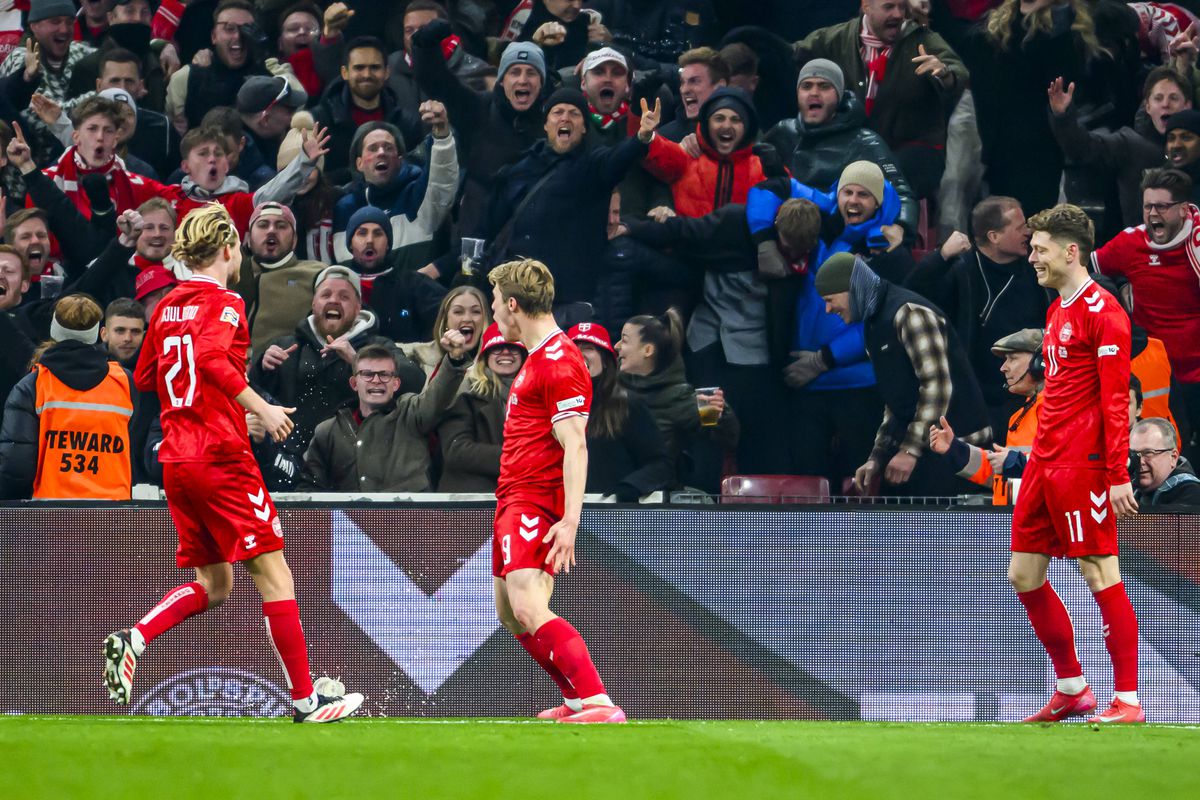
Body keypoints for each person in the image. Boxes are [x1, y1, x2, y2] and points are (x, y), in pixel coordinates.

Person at [108, 202, 364, 722]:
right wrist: (261, 408)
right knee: (276, 577)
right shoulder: (224, 303)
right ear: (229, 249)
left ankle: (135, 637)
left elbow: (146, 378)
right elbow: (208, 360)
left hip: (177, 459)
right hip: (220, 456)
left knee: (216, 584)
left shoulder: (164, 308)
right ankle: (305, 700)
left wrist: (206, 406)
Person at [1006, 203, 1142, 724]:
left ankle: (1127, 701)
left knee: (1099, 571)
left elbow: (1114, 401)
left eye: (1039, 249)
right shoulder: (1057, 308)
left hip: (1083, 464)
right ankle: (1072, 688)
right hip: (1045, 459)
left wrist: (1117, 474)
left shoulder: (1105, 312)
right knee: (1023, 574)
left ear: (1071, 251)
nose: (1032, 258)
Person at [487, 257, 625, 723]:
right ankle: (573, 699)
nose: (492, 316)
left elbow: (576, 445)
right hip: (514, 496)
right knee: (510, 611)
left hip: (536, 499)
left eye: (493, 305)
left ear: (511, 304)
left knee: (528, 605)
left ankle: (598, 701)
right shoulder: (538, 359)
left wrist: (569, 520)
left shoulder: (561, 362)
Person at [817, 252, 992, 498]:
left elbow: (936, 389)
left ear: (851, 288)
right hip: (928, 447)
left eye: (829, 299)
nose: (827, 309)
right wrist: (877, 458)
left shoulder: (910, 313)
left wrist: (909, 451)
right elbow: (896, 400)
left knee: (946, 535)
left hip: (958, 449)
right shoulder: (873, 324)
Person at [904, 196, 1048, 439]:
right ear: (994, 236)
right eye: (1020, 227)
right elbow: (909, 298)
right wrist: (941, 256)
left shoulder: (1038, 274)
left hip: (1024, 394)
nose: (1028, 232)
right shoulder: (961, 270)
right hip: (972, 398)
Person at [793, 0, 967, 199]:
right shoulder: (836, 38)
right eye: (889, 7)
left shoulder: (921, 39)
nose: (898, 14)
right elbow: (791, 54)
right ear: (866, 6)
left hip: (913, 148)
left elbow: (957, 73)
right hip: (853, 148)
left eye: (902, 7)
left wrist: (945, 74)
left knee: (879, 181)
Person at [250, 265, 418, 453]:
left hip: (360, 458)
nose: (334, 300)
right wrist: (262, 369)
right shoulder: (287, 346)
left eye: (344, 297)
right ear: (313, 304)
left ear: (357, 308)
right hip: (294, 460)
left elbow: (415, 381)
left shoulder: (379, 347)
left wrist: (357, 361)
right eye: (325, 295)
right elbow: (254, 399)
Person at [1092, 167, 1200, 458]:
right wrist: (1120, 289)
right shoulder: (1130, 243)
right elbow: (1085, 275)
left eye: (1162, 207)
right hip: (1157, 375)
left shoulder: (1197, 243)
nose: (1153, 214)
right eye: (1148, 206)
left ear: (1183, 209)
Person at [0, 294, 137, 500]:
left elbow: (16, 463)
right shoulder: (124, 382)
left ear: (54, 330)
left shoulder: (33, 385)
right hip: (113, 510)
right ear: (97, 333)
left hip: (51, 510)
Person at [762, 58, 919, 235]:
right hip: (784, 234)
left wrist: (900, 226)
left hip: (839, 238)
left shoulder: (865, 142)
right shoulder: (783, 132)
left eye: (824, 86)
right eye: (806, 86)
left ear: (839, 95)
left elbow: (901, 193)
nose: (814, 93)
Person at [300, 339, 467, 493]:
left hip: (410, 521)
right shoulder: (328, 431)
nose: (376, 380)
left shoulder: (411, 412)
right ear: (354, 383)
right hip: (349, 524)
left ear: (396, 384)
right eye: (367, 374)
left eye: (384, 374)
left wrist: (454, 359)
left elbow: (437, 396)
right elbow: (309, 490)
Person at [1049, 66, 1192, 228]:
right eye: (1158, 98)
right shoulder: (1129, 144)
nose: (1166, 104)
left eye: (1173, 98)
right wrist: (1063, 117)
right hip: (1141, 245)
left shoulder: (1196, 148)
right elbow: (1083, 148)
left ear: (1187, 105)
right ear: (1148, 107)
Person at [617, 308, 739, 493]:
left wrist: (721, 414)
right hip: (608, 490)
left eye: (624, 340)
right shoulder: (611, 387)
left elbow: (728, 439)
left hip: (655, 498)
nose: (617, 346)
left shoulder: (680, 398)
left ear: (648, 350)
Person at [330, 102, 458, 267]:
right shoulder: (343, 208)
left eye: (388, 148)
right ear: (359, 164)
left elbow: (441, 181)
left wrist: (441, 134)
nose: (381, 152)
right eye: (373, 148)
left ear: (399, 161)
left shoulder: (417, 197)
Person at [930, 329, 1045, 505]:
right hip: (1013, 521)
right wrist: (954, 448)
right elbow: (1002, 474)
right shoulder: (1020, 416)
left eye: (1012, 358)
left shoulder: (1057, 410)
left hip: (1038, 524)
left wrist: (1015, 462)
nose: (1003, 367)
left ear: (1040, 362)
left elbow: (1061, 467)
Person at [568, 321, 672, 501]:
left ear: (606, 361)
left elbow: (661, 465)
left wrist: (627, 489)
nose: (579, 354)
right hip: (558, 514)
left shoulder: (628, 404)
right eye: (572, 349)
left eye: (588, 348)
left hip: (611, 515)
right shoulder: (548, 406)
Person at [313, 35, 423, 185]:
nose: (367, 75)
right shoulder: (320, 121)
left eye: (374, 67)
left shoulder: (406, 123)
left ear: (386, 72)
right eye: (359, 68)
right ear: (345, 73)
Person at [438, 322, 526, 493]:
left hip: (521, 496)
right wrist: (516, 458)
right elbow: (456, 450)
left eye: (512, 348)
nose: (506, 353)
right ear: (485, 356)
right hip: (473, 500)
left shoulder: (536, 398)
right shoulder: (465, 395)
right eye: (497, 348)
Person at [234, 201, 327, 357]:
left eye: (281, 226)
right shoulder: (230, 271)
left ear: (295, 240)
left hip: (288, 370)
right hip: (232, 370)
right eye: (263, 225)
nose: (271, 231)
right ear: (249, 239)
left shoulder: (317, 273)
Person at [399, 285, 490, 378]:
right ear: (445, 320)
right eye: (458, 312)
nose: (467, 318)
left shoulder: (498, 361)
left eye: (476, 312)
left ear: (485, 320)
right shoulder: (415, 355)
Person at [657, 47, 728, 143]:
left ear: (720, 87)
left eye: (694, 81)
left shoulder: (736, 136)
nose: (684, 90)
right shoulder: (664, 140)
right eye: (682, 82)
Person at [1130, 417, 1200, 506]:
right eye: (1134, 454)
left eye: (1148, 453)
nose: (1140, 462)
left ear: (1173, 457)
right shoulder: (1125, 489)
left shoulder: (1192, 495)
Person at [100, 296, 146, 367]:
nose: (127, 338)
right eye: (120, 331)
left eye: (135, 332)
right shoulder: (86, 368)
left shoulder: (154, 369)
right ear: (104, 334)